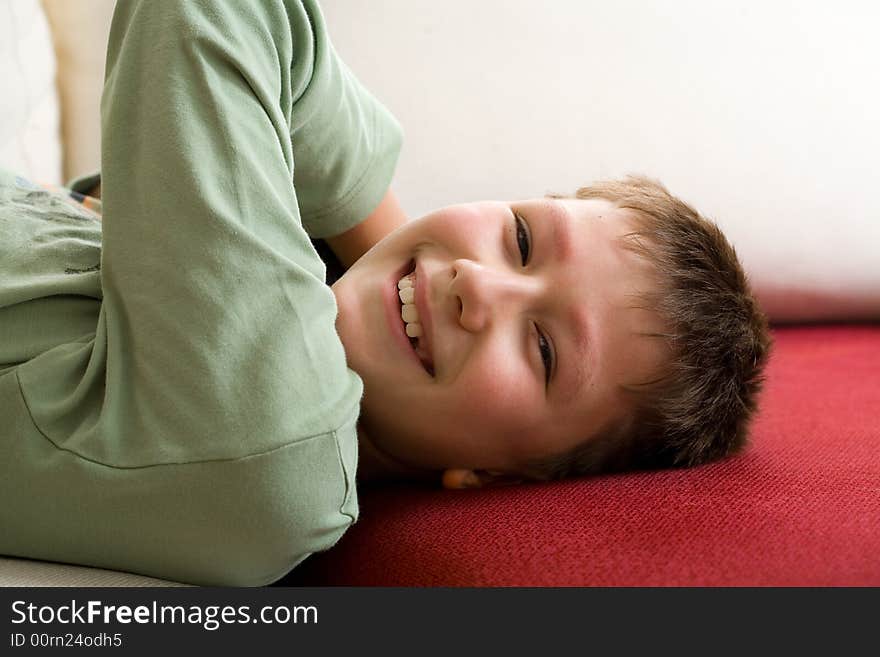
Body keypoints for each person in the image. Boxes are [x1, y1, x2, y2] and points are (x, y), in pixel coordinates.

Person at [0, 0, 771, 586]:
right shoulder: (274, 301)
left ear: (501, 478)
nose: (478, 283)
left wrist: (378, 242)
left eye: (542, 347)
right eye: (522, 238)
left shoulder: (281, 443)